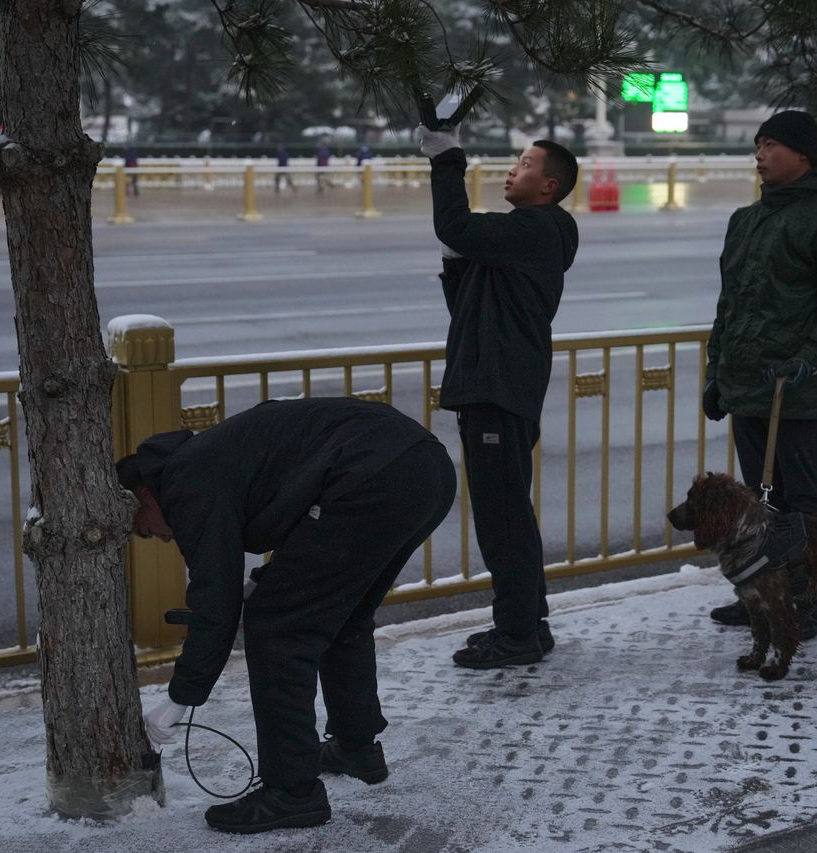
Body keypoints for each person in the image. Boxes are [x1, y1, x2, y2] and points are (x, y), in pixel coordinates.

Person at [125, 397, 456, 834]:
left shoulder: (185, 481)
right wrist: (269, 579)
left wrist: (183, 695)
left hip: (371, 475)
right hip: (423, 467)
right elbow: (297, 507)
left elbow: (215, 599)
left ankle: (291, 792)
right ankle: (356, 748)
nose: (163, 538)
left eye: (148, 527)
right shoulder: (213, 455)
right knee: (344, 615)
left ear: (146, 494)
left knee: (277, 627)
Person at [415, 124, 579, 669]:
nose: (515, 168)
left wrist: (446, 159)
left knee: (501, 517)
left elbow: (456, 223)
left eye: (527, 163)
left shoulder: (536, 228)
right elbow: (468, 304)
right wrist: (455, 259)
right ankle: (528, 623)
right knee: (509, 511)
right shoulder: (524, 237)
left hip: (498, 387)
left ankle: (515, 635)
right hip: (498, 384)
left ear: (549, 186)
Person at [702, 109, 817, 641]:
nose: (759, 154)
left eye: (771, 144)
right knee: (759, 502)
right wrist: (716, 373)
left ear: (803, 154)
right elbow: (730, 305)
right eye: (756, 144)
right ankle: (765, 597)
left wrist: (809, 359)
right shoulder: (745, 220)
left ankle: (811, 601)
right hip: (749, 386)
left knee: (804, 504)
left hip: (797, 389)